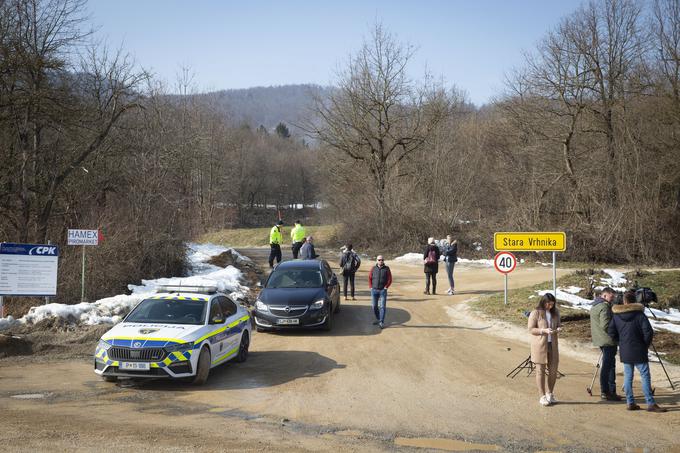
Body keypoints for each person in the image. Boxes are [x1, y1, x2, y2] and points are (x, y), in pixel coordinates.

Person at [608, 291, 666, 412]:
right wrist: (644, 344)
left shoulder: (616, 316)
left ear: (624, 301)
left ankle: (630, 402)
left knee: (628, 376)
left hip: (625, 350)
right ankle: (650, 403)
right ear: (635, 301)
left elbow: (611, 332)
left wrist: (621, 342)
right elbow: (648, 332)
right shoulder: (639, 315)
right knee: (645, 376)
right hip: (639, 349)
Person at [528, 293, 561, 406]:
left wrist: (558, 329)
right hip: (540, 345)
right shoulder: (535, 313)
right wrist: (543, 331)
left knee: (553, 370)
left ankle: (550, 393)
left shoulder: (555, 312)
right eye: (548, 304)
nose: (550, 306)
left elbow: (559, 325)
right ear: (543, 302)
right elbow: (531, 329)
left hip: (553, 344)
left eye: (552, 304)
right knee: (540, 370)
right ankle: (542, 396)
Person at [590, 287, 622, 401]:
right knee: (608, 367)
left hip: (601, 340)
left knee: (608, 365)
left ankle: (608, 391)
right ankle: (607, 391)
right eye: (611, 297)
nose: (612, 299)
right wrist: (617, 333)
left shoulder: (595, 305)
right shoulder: (604, 306)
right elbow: (606, 325)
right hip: (608, 340)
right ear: (604, 296)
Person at [368, 255, 392, 329]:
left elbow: (390, 279)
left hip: (382, 291)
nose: (380, 261)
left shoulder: (387, 269)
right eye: (379, 260)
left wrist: (386, 287)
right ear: (376, 260)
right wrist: (371, 287)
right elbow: (369, 278)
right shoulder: (373, 268)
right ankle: (378, 319)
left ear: (383, 260)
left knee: (382, 307)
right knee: (374, 306)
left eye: (382, 260)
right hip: (374, 290)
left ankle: (381, 321)